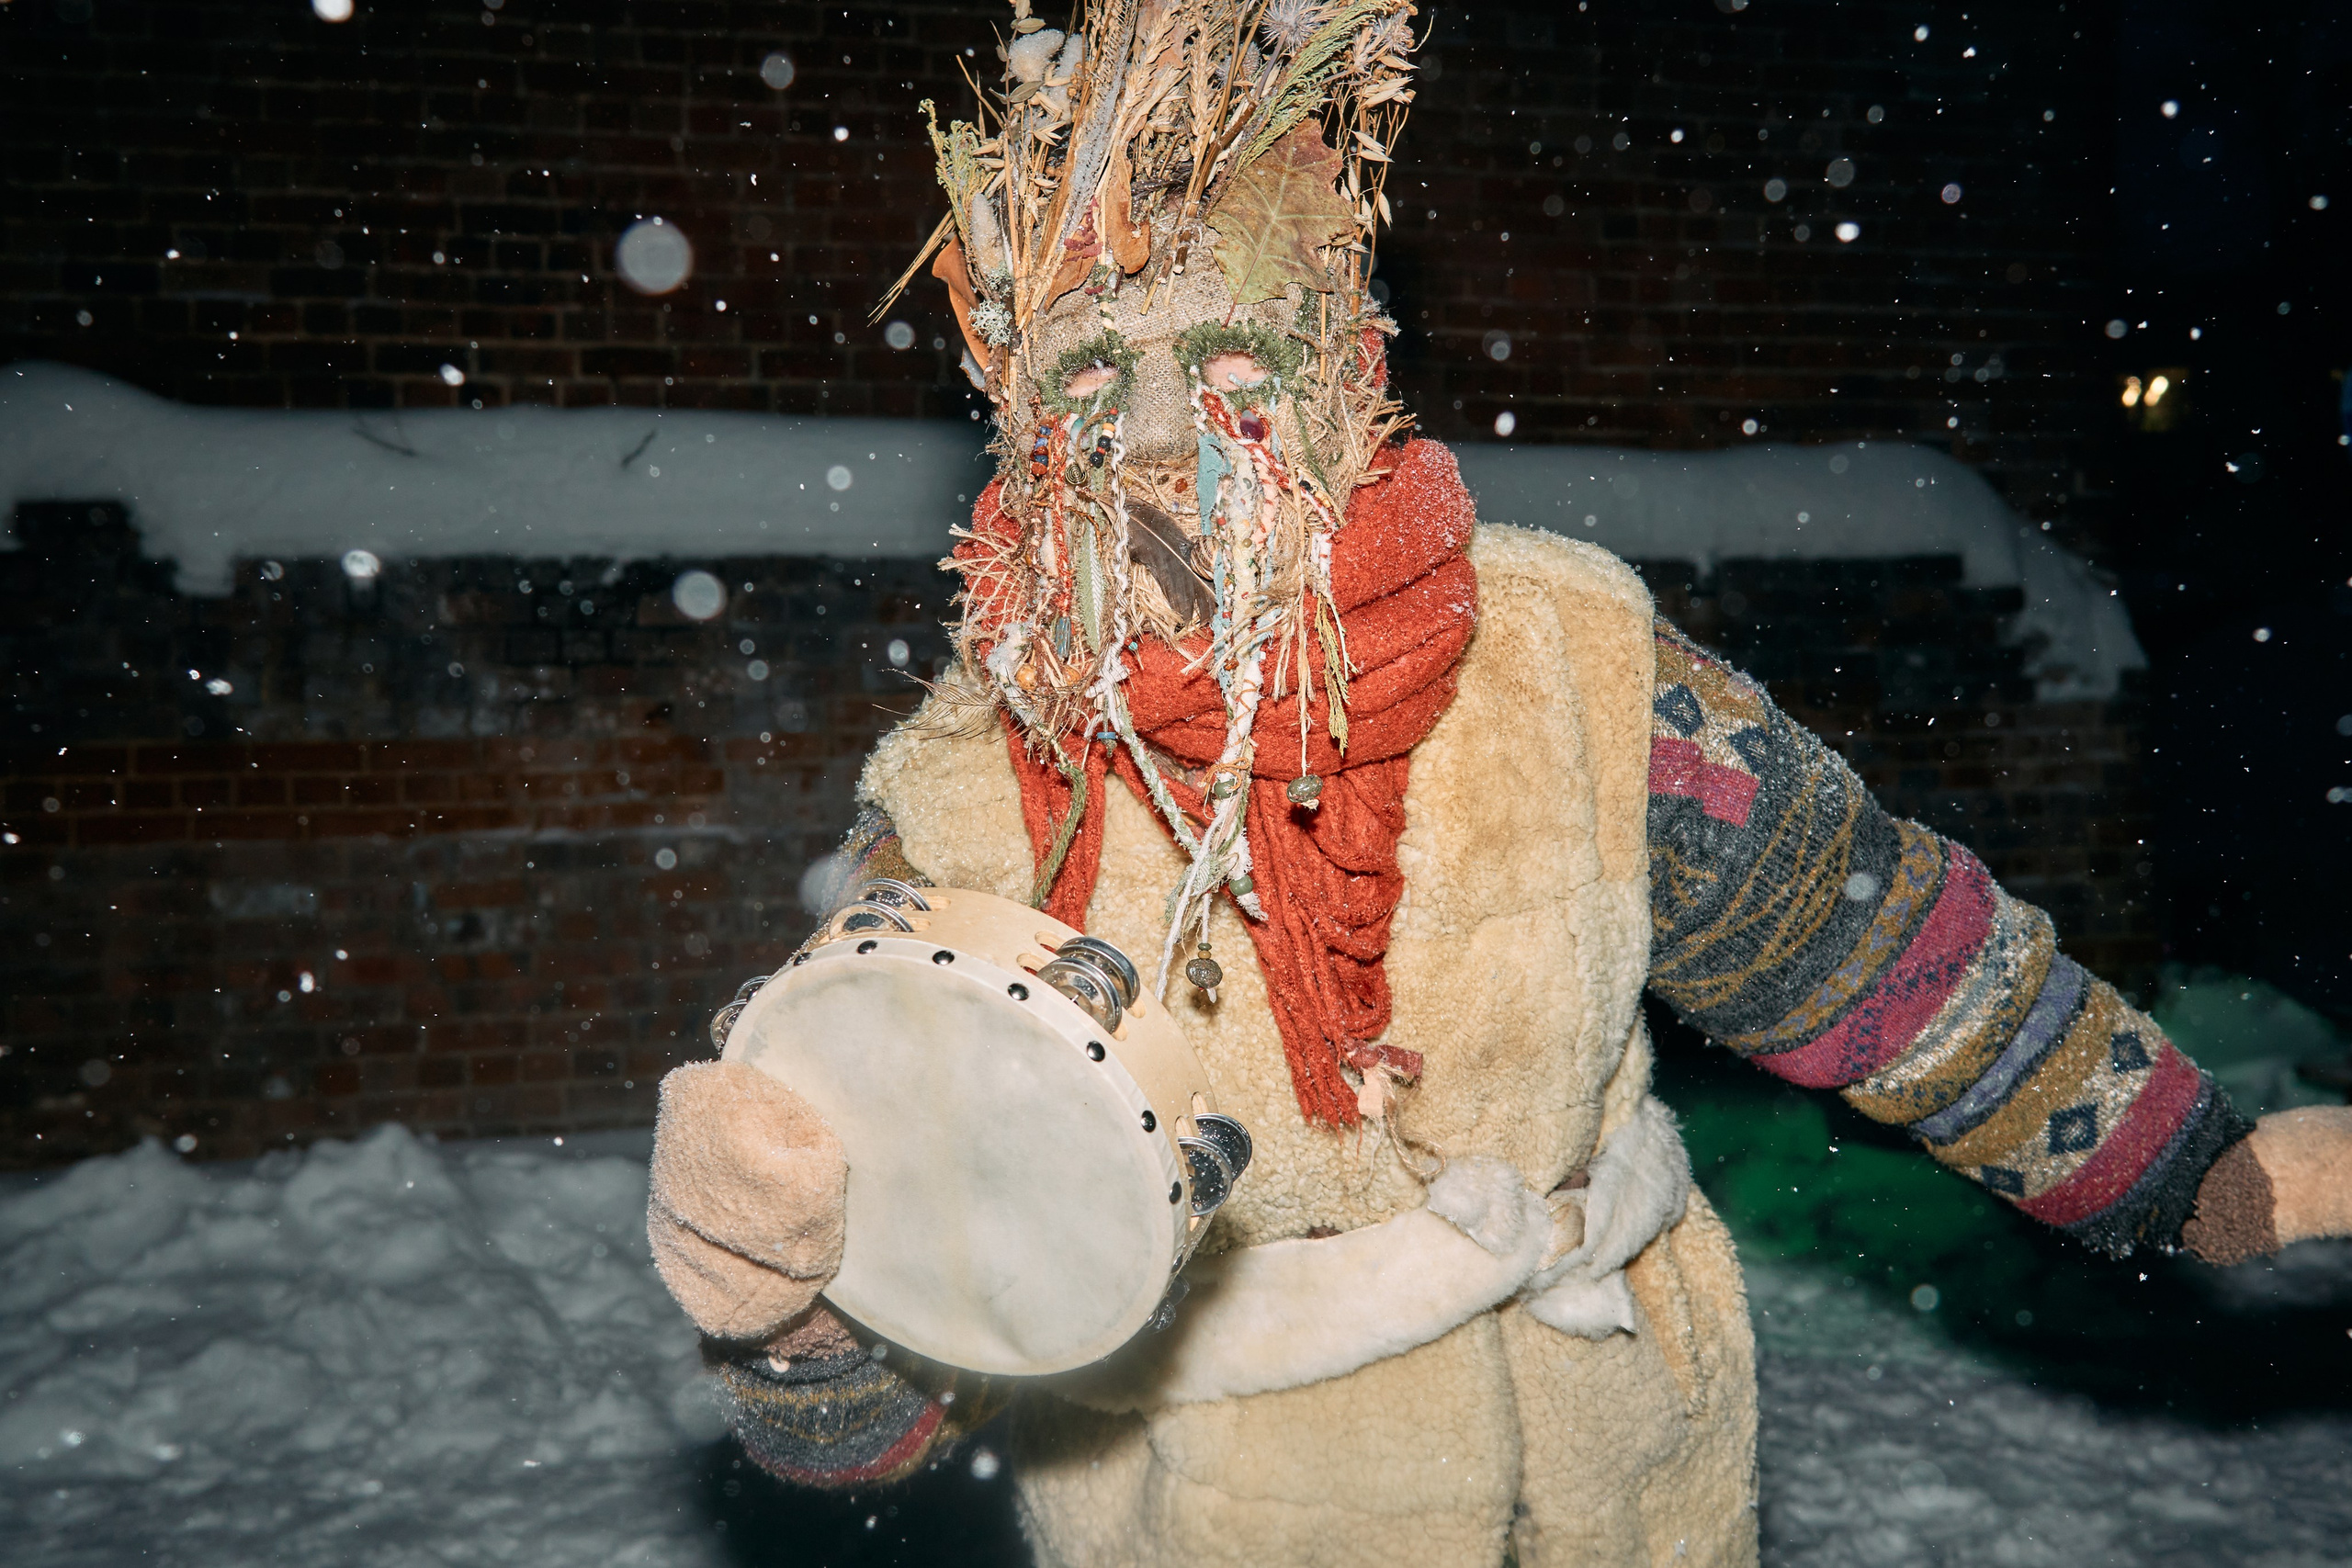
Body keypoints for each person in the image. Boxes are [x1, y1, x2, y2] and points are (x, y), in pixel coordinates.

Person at [644, 5, 2352, 1562]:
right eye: (1098, 391)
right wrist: (793, 1309)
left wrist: (2186, 1164)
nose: (1167, 445)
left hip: (1629, 1469)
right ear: (1026, 433)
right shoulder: (966, 799)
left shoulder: (1565, 655)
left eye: (1234, 375)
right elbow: (905, 1336)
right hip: (1237, 1512)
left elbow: (1865, 938)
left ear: (1339, 375)